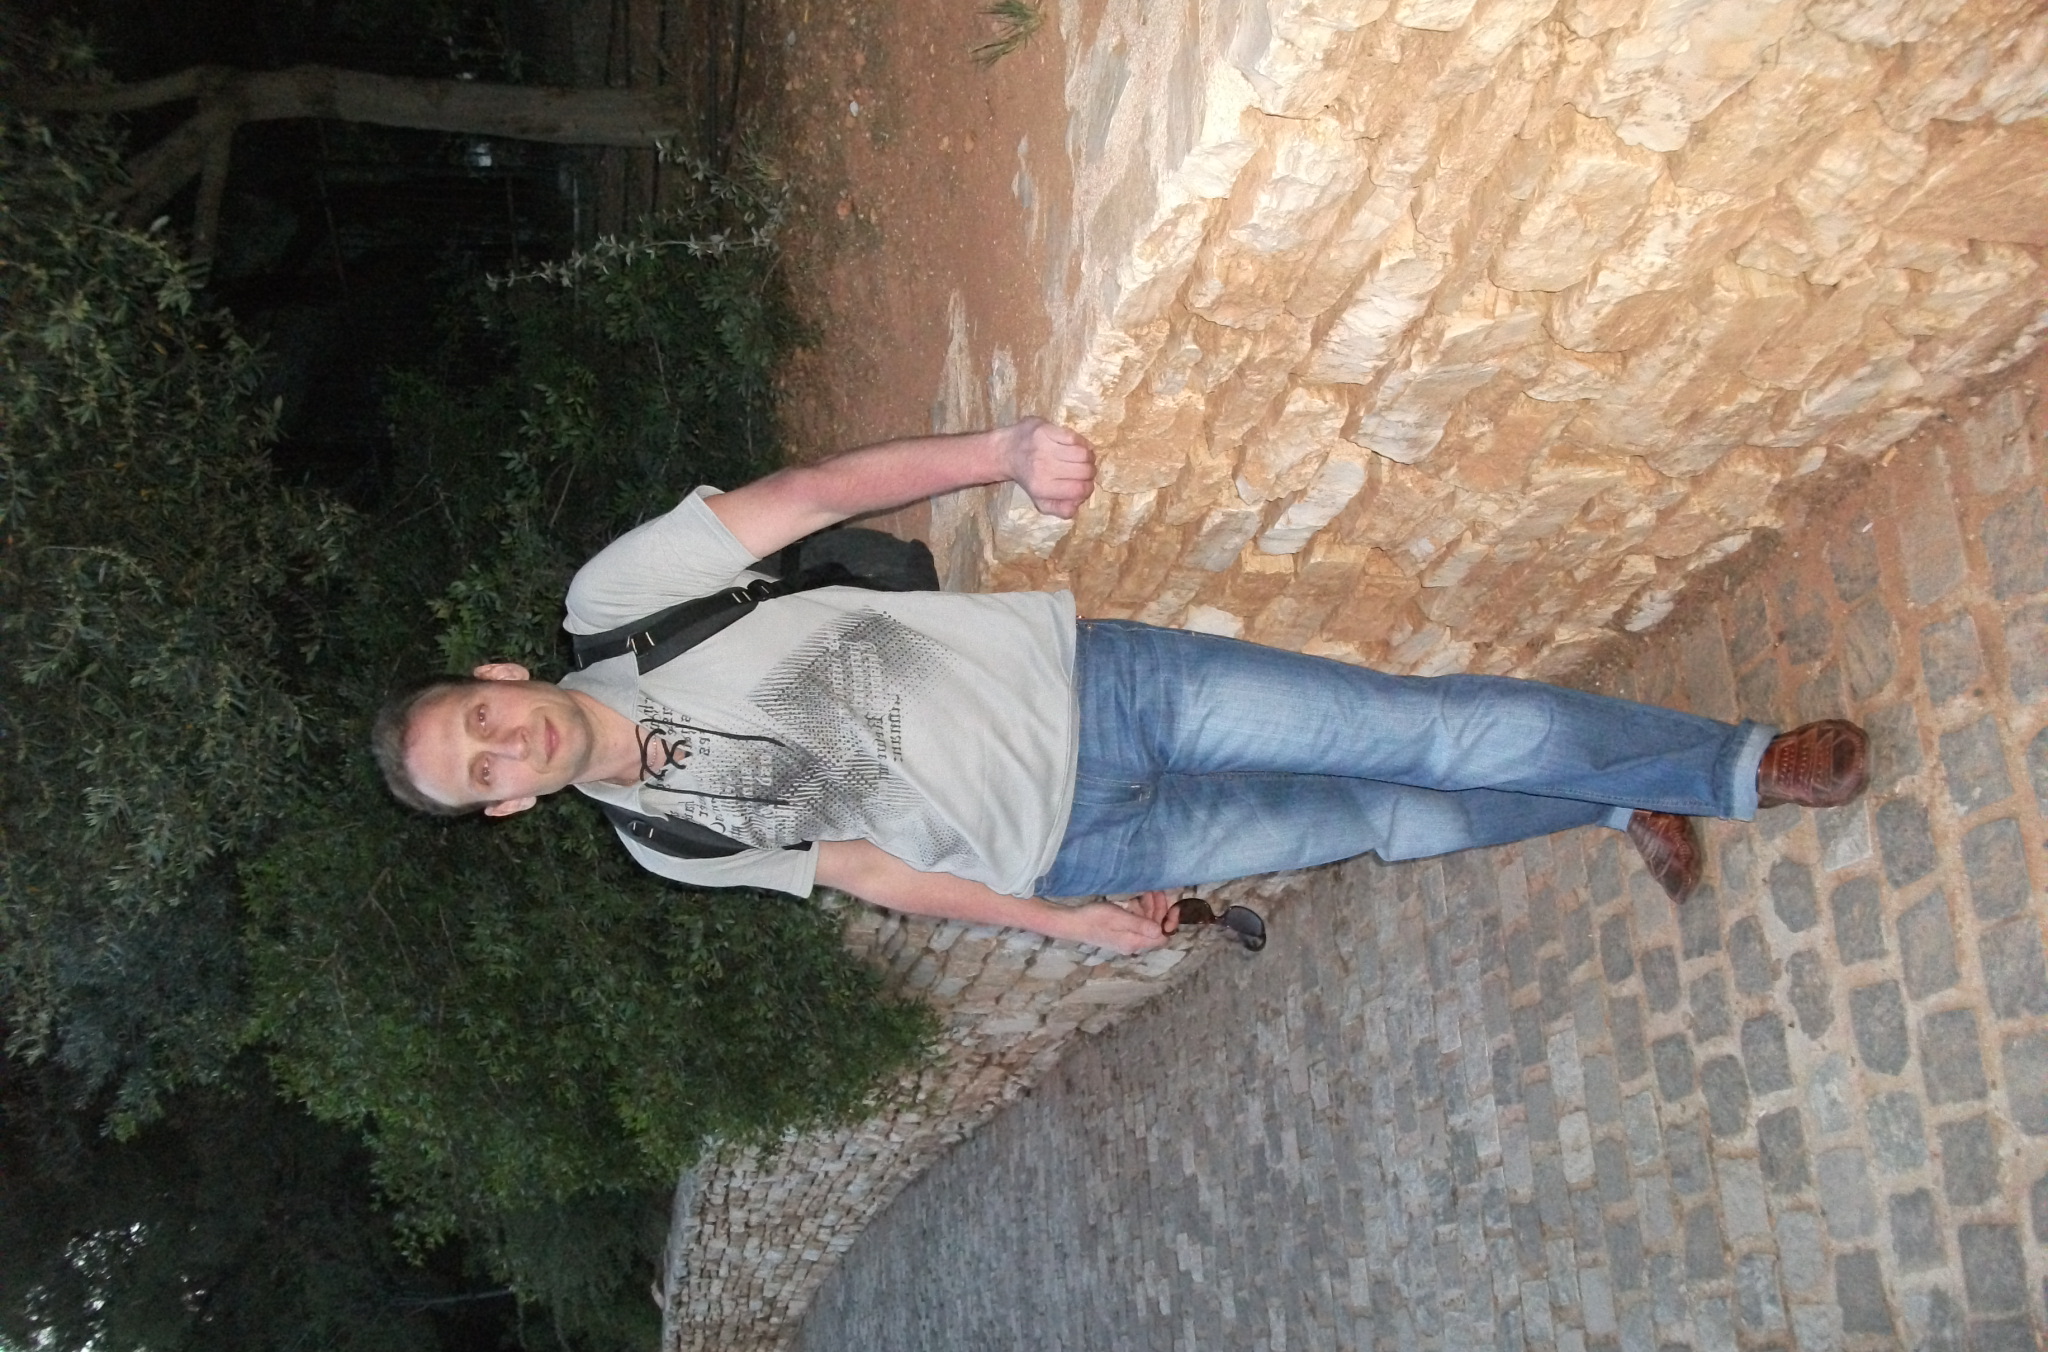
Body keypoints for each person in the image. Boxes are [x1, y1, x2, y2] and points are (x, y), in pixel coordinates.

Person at [372, 419, 1869, 954]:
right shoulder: (663, 843)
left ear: (498, 676)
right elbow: (877, 873)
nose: (506, 745)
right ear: (506, 811)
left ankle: (1738, 769)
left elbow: (811, 494)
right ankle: (1611, 803)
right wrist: (1062, 922)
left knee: (1440, 731)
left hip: (1106, 694)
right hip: (1082, 846)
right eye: (482, 773)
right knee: (1394, 823)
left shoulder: (616, 606)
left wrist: (1002, 453)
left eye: (478, 719)